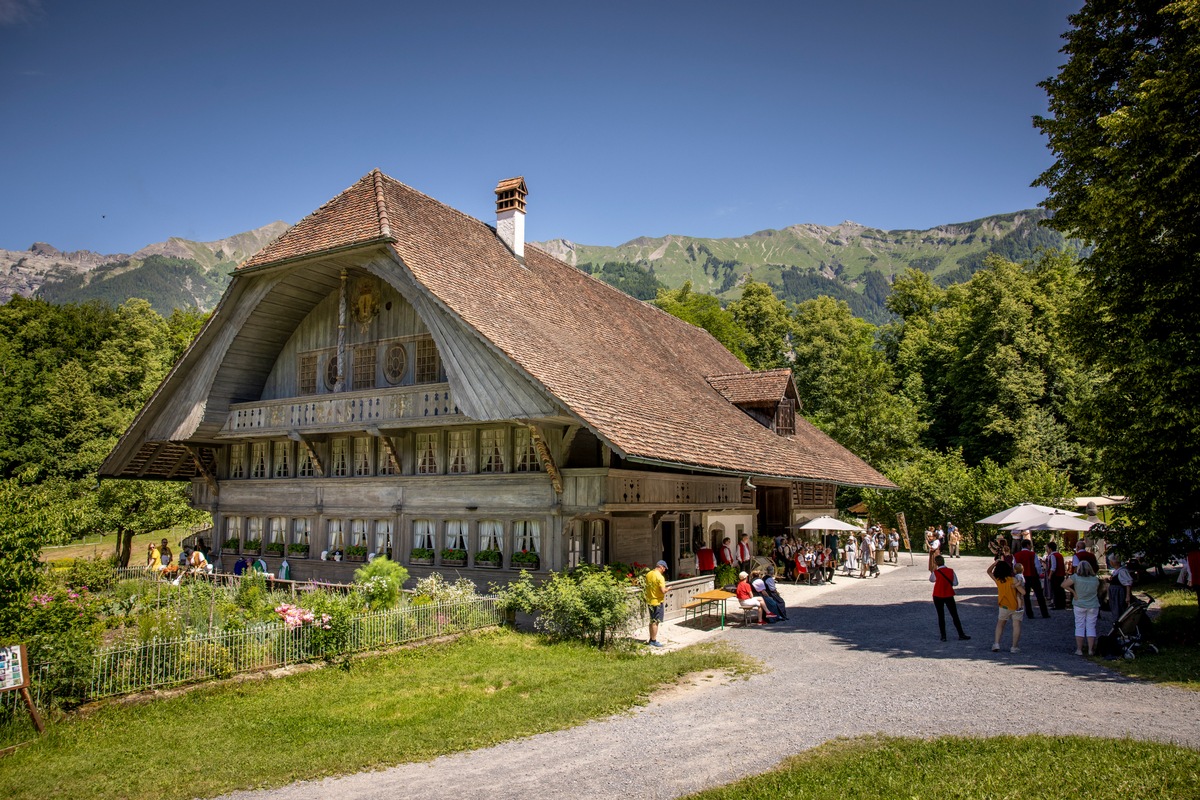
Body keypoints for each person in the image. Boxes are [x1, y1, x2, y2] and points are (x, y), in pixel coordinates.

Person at [1063, 560, 1101, 655]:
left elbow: (1063, 585)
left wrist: (1074, 592)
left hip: (1079, 603)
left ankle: (1079, 649)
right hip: (1093, 604)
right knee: (1091, 627)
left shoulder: (1076, 577)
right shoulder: (1095, 579)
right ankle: (1090, 650)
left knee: (1079, 626)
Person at [929, 555, 970, 641]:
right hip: (948, 594)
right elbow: (955, 583)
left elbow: (931, 580)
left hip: (937, 595)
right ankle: (961, 634)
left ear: (936, 563)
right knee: (954, 615)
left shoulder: (936, 572)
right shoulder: (951, 571)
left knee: (941, 616)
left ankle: (943, 636)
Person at [987, 559, 1023, 653]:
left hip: (1003, 605)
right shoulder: (1013, 580)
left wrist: (995, 563)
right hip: (1016, 605)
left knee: (1000, 624)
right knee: (1016, 625)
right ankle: (1014, 647)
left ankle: (996, 643)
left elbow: (989, 571)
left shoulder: (998, 580)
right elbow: (1023, 591)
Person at [1013, 540, 1050, 619]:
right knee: (1040, 595)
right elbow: (1037, 566)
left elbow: (1014, 566)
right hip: (1033, 576)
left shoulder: (1016, 555)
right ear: (1027, 545)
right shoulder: (1032, 554)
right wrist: (1039, 573)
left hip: (1022, 577)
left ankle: (1029, 614)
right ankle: (1044, 613)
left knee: (1026, 596)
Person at [644, 560, 668, 647]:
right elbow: (662, 591)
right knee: (656, 622)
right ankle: (653, 641)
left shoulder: (648, 574)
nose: (664, 570)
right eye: (664, 568)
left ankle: (651, 638)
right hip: (657, 602)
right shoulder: (660, 577)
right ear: (661, 567)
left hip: (650, 600)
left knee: (652, 620)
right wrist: (668, 589)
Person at [1107, 555, 1134, 621]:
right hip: (1115, 594)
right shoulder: (1116, 571)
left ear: (1113, 562)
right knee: (1116, 609)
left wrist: (1128, 596)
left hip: (1119, 594)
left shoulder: (1122, 571)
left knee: (1120, 609)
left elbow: (1128, 584)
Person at [1045, 542, 1067, 610]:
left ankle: (1058, 605)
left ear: (1050, 549)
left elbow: (1053, 567)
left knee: (1056, 590)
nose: (1047, 550)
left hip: (1056, 575)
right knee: (1060, 590)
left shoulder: (1052, 556)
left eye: (1047, 548)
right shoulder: (1059, 555)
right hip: (1061, 575)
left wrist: (1050, 575)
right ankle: (1062, 604)